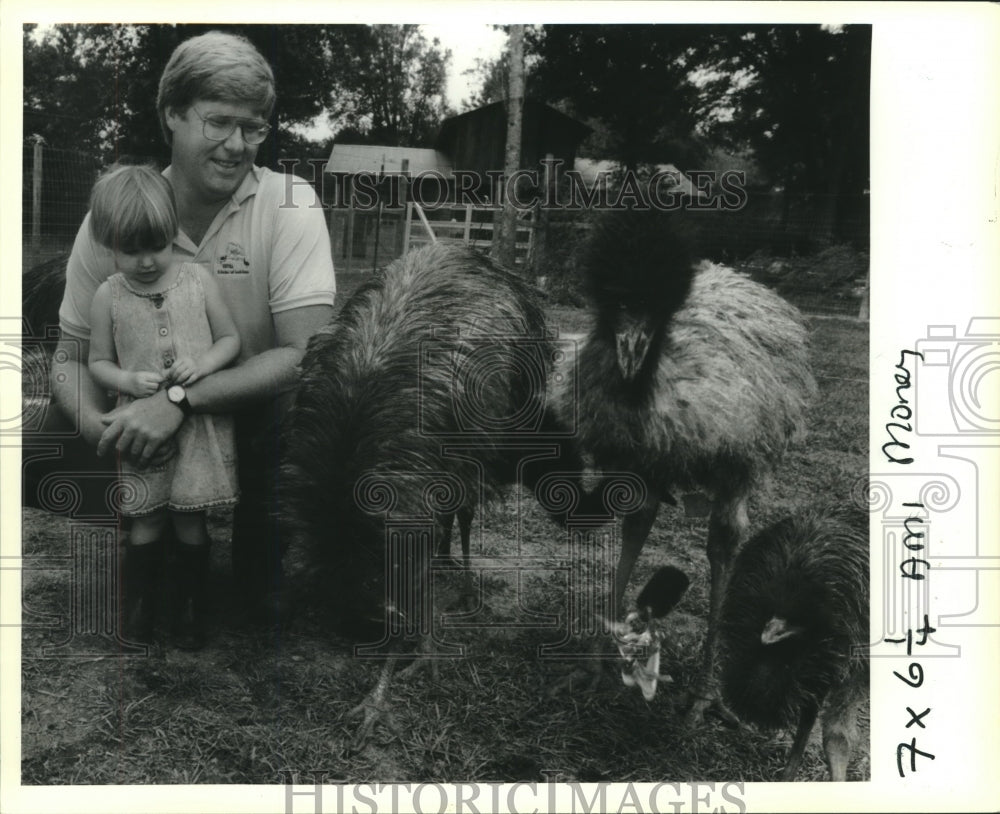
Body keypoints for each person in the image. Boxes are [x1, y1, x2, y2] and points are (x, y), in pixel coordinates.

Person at [48, 30, 336, 629]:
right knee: (36, 433)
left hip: (257, 417)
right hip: (137, 407)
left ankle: (251, 551)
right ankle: (141, 556)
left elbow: (304, 356)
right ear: (172, 115)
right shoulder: (117, 216)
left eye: (253, 128)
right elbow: (70, 359)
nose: (237, 146)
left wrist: (178, 400)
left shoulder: (292, 203)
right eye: (219, 123)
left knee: (258, 603)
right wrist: (108, 431)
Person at [86, 163, 241, 648]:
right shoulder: (107, 296)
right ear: (108, 244)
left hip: (195, 425)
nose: (147, 261)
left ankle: (191, 611)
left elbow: (231, 339)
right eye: (130, 251)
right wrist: (127, 378)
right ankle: (141, 609)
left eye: (156, 247)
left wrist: (204, 364)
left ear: (172, 234)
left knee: (190, 515)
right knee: (147, 515)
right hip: (140, 427)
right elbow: (97, 363)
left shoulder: (197, 280)